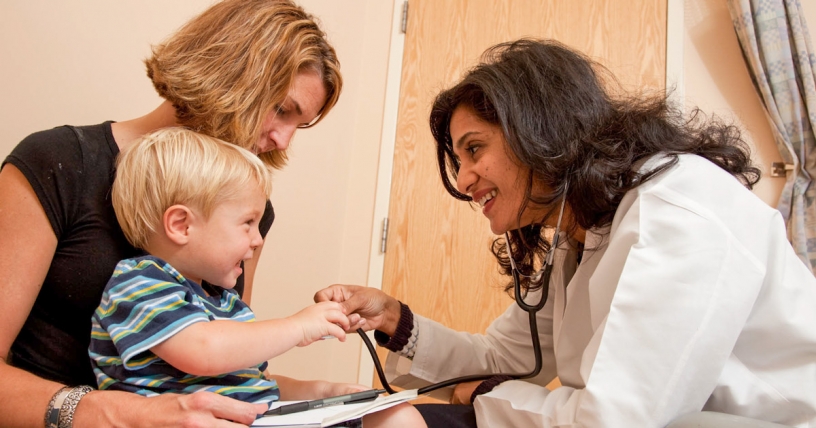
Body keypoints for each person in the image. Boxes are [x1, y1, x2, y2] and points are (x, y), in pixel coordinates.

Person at [316, 38, 816, 427]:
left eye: (474, 149)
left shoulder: (677, 207)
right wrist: (394, 320)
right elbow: (502, 358)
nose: (464, 179)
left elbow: (616, 419)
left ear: (540, 129)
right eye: (458, 158)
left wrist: (491, 395)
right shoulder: (577, 236)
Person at [0, 0, 354, 426]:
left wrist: (319, 393)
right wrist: (119, 416)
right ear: (229, 73)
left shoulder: (251, 212)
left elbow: (215, 373)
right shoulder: (57, 163)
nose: (283, 141)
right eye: (282, 109)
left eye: (301, 124)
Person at [89, 128, 425, 427]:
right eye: (248, 223)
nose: (258, 239)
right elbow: (203, 351)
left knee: (397, 416)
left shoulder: (224, 302)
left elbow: (257, 383)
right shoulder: (139, 283)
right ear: (181, 225)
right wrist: (298, 326)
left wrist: (328, 391)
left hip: (253, 417)